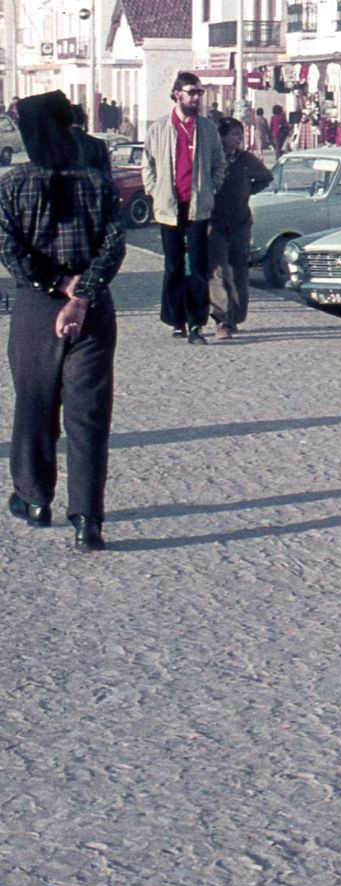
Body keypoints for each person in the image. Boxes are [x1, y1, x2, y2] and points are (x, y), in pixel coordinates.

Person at [0, 91, 126, 552]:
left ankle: (34, 499)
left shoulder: (12, 186)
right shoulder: (99, 184)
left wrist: (56, 284)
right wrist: (83, 293)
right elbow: (113, 247)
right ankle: (87, 519)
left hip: (37, 308)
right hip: (91, 313)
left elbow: (9, 250)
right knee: (88, 416)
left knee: (33, 406)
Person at [143, 72, 227, 345]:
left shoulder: (206, 128)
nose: (196, 97)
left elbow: (219, 163)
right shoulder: (158, 128)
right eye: (192, 92)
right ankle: (176, 319)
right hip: (169, 205)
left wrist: (210, 189)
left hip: (198, 206)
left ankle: (196, 324)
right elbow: (148, 164)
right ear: (177, 93)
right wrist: (154, 190)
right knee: (173, 265)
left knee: (198, 267)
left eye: (199, 93)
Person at [207, 117, 272, 340]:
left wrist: (248, 190)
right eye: (234, 134)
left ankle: (235, 316)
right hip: (214, 221)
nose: (238, 139)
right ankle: (221, 319)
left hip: (240, 222)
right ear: (222, 136)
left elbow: (266, 177)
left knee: (238, 271)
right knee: (217, 272)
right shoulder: (212, 159)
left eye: (240, 135)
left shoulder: (246, 160)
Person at [68, 103, 111, 178]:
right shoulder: (98, 145)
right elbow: (107, 177)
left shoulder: (52, 146)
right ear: (84, 120)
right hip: (92, 188)